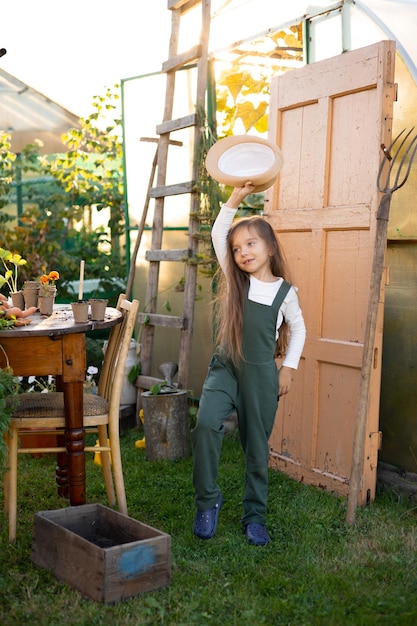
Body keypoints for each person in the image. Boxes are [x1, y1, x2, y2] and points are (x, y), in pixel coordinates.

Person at [191, 181, 306, 546]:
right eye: (237, 249)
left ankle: (254, 515)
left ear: (270, 248)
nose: (242, 252)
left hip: (260, 377)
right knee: (206, 425)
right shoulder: (236, 278)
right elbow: (218, 231)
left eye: (251, 244)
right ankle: (208, 501)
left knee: (256, 448)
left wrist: (288, 368)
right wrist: (237, 197)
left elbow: (299, 329)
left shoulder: (286, 293)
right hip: (225, 368)